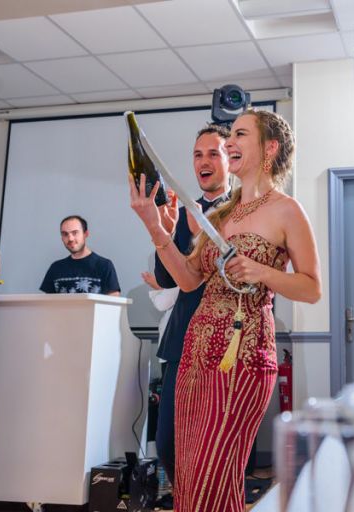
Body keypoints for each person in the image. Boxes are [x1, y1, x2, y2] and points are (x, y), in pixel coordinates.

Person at [129, 109, 322, 512]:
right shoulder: (218, 214)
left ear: (270, 148)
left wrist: (262, 271)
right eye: (230, 135)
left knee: (212, 472)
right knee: (188, 473)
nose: (230, 142)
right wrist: (156, 228)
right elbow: (189, 280)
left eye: (240, 135)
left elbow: (311, 289)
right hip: (195, 354)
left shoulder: (287, 210)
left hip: (243, 356)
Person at [152, 124, 232, 486]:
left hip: (226, 342)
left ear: (231, 158)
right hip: (181, 340)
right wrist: (166, 233)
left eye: (213, 153)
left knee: (217, 448)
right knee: (168, 445)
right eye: (198, 155)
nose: (204, 161)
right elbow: (169, 279)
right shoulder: (183, 209)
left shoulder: (243, 211)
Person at [40, 215, 121, 295]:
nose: (70, 238)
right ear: (62, 238)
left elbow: (113, 304)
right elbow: (48, 304)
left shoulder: (104, 265)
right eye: (65, 234)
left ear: (86, 234)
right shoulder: (55, 268)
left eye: (75, 233)